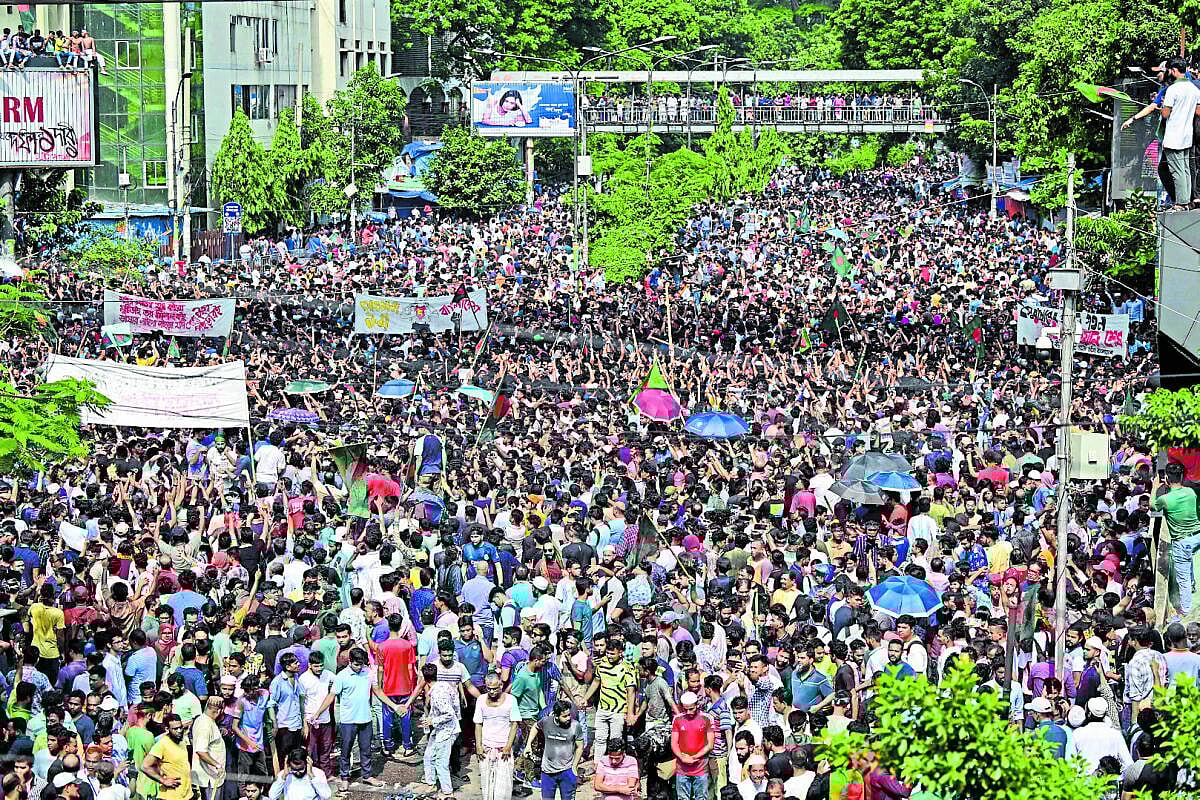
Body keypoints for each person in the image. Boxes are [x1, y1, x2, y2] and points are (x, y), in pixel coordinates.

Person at [308, 647, 404, 791]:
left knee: (366, 749)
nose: (359, 667)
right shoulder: (342, 676)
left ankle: (367, 775)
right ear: (350, 661)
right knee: (346, 750)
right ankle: (344, 777)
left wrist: (395, 706)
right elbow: (331, 696)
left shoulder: (369, 673)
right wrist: (317, 713)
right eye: (356, 664)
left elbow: (378, 691)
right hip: (348, 721)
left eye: (362, 664)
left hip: (366, 718)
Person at [1153, 462, 1200, 616]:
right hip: (1197, 536)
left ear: (1166, 478)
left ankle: (1186, 611)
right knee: (1189, 557)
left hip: (1182, 541)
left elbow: (1153, 506)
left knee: (1182, 578)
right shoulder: (1191, 493)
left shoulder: (1165, 499)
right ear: (1181, 477)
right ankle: (1192, 584)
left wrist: (1155, 487)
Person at [1159, 56, 1200, 210]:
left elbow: (1165, 114)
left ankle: (1181, 203)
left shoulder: (1173, 89)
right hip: (1187, 136)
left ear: (1174, 70)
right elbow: (1198, 111)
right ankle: (1188, 200)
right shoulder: (1193, 89)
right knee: (1186, 169)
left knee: (1177, 171)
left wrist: (1162, 106)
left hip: (1173, 137)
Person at [474, 671, 521, 800]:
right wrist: (478, 746)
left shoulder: (511, 700)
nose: (492, 691)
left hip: (503, 748)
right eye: (488, 688)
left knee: (503, 786)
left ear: (501, 685)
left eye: (494, 688)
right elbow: (478, 724)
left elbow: (514, 724)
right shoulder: (481, 700)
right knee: (486, 784)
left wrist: (508, 746)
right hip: (486, 748)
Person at [533, 700, 584, 800]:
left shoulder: (575, 726)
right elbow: (535, 727)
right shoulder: (546, 721)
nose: (568, 718)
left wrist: (574, 766)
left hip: (567, 771)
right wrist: (528, 745)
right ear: (556, 716)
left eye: (569, 715)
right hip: (547, 772)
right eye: (564, 716)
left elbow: (580, 747)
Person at [671, 691, 716, 800]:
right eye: (685, 709)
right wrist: (682, 757)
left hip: (701, 767)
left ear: (697, 705)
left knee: (701, 797)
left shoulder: (707, 718)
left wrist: (694, 757)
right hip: (682, 768)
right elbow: (674, 743)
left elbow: (710, 744)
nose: (688, 712)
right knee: (682, 798)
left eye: (691, 709)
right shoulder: (677, 719)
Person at [139, 714, 191, 800]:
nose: (179, 731)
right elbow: (144, 766)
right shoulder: (162, 744)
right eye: (175, 729)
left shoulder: (181, 741)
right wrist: (163, 780)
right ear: (167, 729)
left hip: (186, 793)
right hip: (171, 795)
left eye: (180, 727)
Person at [191, 697, 228, 800]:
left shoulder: (203, 719)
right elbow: (201, 751)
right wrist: (217, 765)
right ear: (219, 710)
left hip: (212, 776)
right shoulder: (205, 725)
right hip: (210, 778)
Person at [267, 747, 331, 800]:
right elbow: (272, 796)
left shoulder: (317, 773)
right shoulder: (284, 774)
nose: (297, 773)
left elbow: (326, 795)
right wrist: (284, 776)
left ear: (307, 763)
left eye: (301, 770)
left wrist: (311, 776)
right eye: (294, 770)